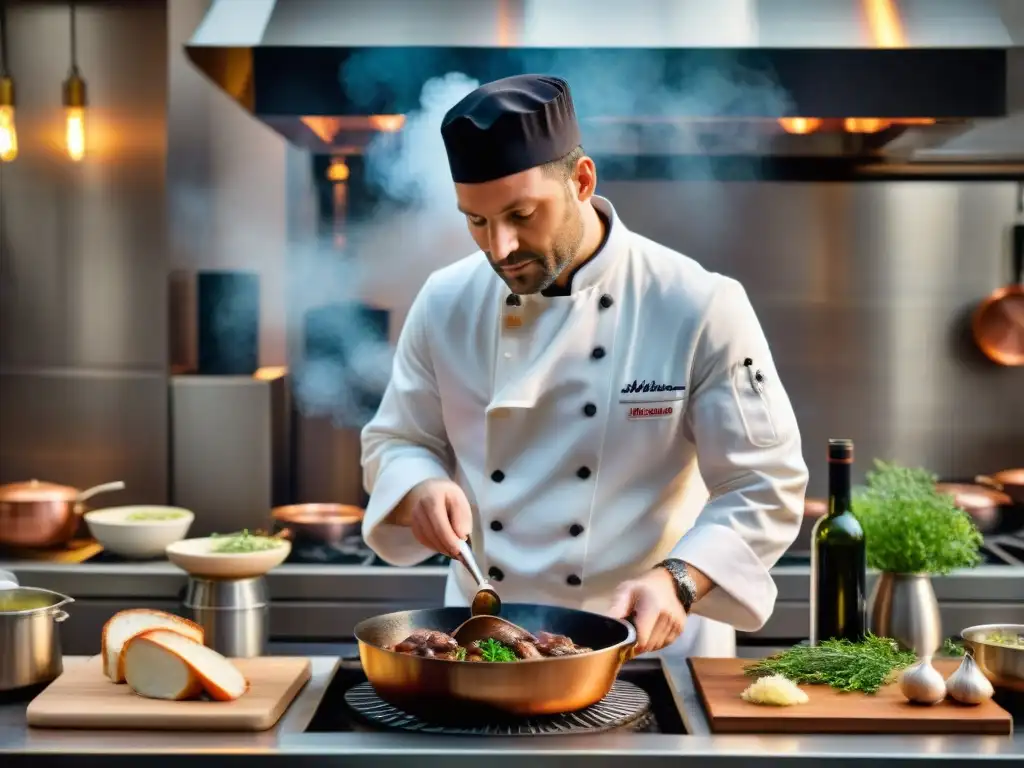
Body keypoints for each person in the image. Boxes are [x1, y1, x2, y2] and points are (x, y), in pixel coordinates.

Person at [360, 74, 808, 657]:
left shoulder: (695, 303)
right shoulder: (444, 301)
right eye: (476, 221)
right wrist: (419, 485)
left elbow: (763, 484)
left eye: (521, 214)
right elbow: (396, 438)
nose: (499, 248)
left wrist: (680, 580)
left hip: (648, 646)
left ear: (581, 180)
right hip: (486, 648)